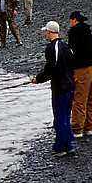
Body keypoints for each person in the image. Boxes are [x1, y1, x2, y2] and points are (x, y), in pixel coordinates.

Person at [32, 21, 75, 156]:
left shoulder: (51, 48)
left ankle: (60, 147)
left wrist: (38, 79)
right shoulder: (66, 46)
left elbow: (51, 69)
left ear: (49, 32)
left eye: (46, 31)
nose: (45, 33)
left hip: (60, 87)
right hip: (70, 86)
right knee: (66, 116)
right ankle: (68, 145)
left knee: (59, 118)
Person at [68, 11, 92, 138]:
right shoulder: (88, 31)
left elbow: (72, 50)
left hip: (82, 68)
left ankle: (77, 129)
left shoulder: (74, 32)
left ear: (74, 20)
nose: (70, 23)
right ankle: (90, 127)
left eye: (70, 20)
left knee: (80, 99)